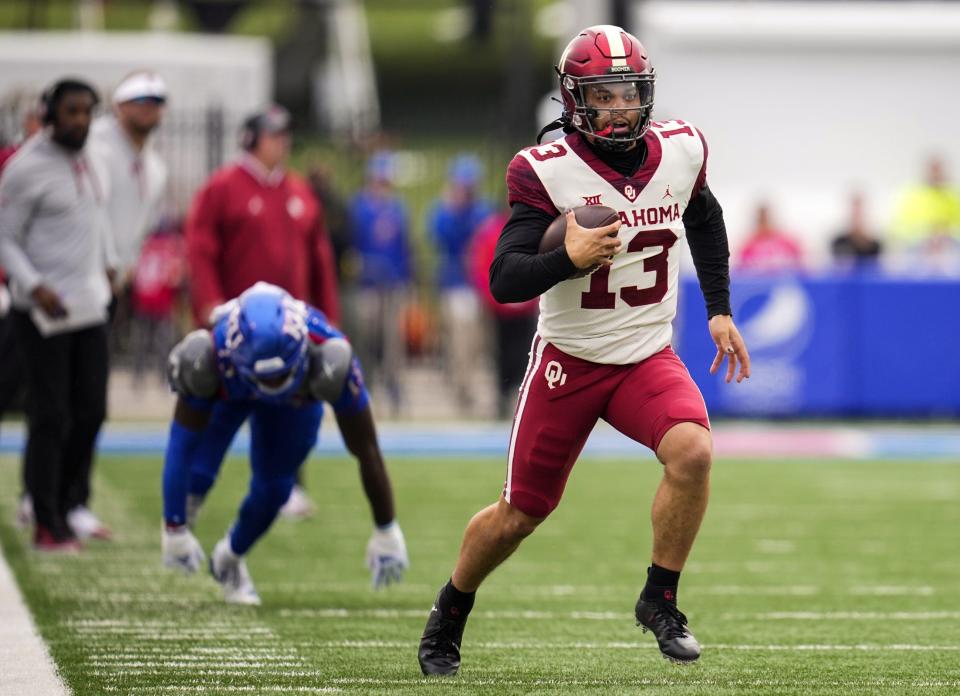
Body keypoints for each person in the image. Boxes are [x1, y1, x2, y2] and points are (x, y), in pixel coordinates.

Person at [417, 25, 751, 674]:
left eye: (629, 92)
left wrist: (719, 309)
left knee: (694, 452)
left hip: (645, 357)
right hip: (568, 361)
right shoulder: (543, 170)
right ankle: (450, 609)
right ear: (575, 102)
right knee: (519, 516)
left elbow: (703, 217)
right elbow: (505, 276)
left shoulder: (681, 151)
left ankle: (660, 599)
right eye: (604, 95)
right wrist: (567, 259)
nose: (620, 106)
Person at [161, 282, 408, 604]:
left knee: (275, 488)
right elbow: (181, 443)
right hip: (235, 389)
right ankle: (185, 522)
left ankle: (231, 556)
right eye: (265, 379)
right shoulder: (212, 355)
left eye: (280, 376)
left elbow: (366, 448)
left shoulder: (328, 355)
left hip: (295, 403)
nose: (273, 386)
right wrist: (174, 524)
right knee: (198, 472)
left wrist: (386, 527)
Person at [185, 104, 340, 517]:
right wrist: (208, 302)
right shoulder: (223, 187)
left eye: (286, 135)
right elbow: (199, 248)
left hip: (290, 323)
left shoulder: (299, 192)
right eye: (274, 135)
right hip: (238, 323)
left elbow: (319, 258)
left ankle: (285, 486)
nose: (282, 143)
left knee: (291, 403)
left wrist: (326, 316)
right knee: (217, 406)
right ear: (251, 139)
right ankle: (192, 486)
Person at [0, 78, 116, 551]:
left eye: (87, 111)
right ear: (50, 114)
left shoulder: (90, 159)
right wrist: (33, 285)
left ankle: (70, 504)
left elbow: (97, 216)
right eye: (72, 112)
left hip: (89, 305)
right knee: (49, 414)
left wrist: (110, 264)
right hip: (44, 312)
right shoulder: (26, 169)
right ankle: (45, 517)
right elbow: (4, 238)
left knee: (91, 410)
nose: (81, 120)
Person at [428, 155, 495, 414]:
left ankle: (464, 382)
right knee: (460, 339)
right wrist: (452, 208)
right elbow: (440, 237)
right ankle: (461, 387)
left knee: (477, 342)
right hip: (455, 284)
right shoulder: (445, 210)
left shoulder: (482, 209)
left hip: (479, 285)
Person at [89, 71, 169, 288]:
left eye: (156, 101)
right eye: (140, 100)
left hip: (117, 281)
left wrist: (127, 266)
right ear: (119, 104)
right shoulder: (92, 146)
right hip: (81, 274)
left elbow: (143, 225)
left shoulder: (156, 167)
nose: (148, 107)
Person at [348, 151, 412, 415]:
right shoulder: (359, 207)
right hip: (367, 283)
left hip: (393, 283)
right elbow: (352, 246)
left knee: (392, 340)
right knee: (366, 335)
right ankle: (366, 383)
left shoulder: (397, 208)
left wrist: (407, 279)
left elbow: (405, 247)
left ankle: (393, 387)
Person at [468, 211, 537, 419]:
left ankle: (521, 394)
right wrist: (495, 297)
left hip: (525, 303)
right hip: (501, 306)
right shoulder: (491, 232)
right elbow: (481, 266)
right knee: (501, 352)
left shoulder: (533, 226)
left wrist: (533, 294)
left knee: (526, 352)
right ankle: (502, 396)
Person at [891, 156, 960, 247]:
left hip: (949, 245)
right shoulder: (913, 196)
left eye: (938, 171)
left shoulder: (952, 196)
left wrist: (947, 233)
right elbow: (900, 228)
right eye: (934, 171)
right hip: (920, 246)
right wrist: (927, 234)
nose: (936, 175)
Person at [736, 202, 804, 273]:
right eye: (761, 220)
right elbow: (741, 272)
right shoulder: (748, 246)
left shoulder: (788, 243)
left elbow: (801, 267)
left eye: (767, 218)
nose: (765, 223)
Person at [830, 192, 882, 270]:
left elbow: (874, 267)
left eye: (860, 213)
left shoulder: (875, 244)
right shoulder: (839, 242)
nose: (857, 217)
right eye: (854, 212)